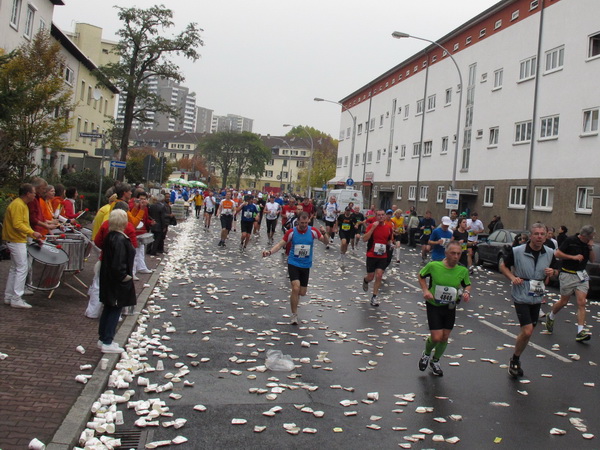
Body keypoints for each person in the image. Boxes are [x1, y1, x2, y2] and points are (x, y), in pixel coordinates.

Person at [500, 223, 556, 378]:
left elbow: (556, 270)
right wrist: (512, 278)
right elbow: (503, 266)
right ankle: (515, 360)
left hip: (537, 296)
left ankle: (516, 358)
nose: (539, 237)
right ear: (530, 236)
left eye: (542, 234)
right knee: (527, 330)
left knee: (528, 333)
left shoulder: (549, 252)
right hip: (521, 294)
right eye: (536, 234)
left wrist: (552, 272)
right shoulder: (518, 251)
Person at [262, 212, 329, 325]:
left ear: (308, 221)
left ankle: (295, 297)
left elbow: (326, 242)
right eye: (302, 223)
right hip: (293, 263)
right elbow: (280, 245)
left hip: (306, 265)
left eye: (306, 223)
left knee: (302, 292)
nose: (304, 225)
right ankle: (294, 315)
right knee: (295, 287)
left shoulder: (313, 231)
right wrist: (269, 252)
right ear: (297, 221)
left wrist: (324, 233)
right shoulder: (291, 232)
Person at [417, 241, 472, 376]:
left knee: (445, 337)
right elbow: (421, 276)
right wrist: (425, 290)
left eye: (458, 254)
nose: (456, 256)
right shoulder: (434, 266)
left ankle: (435, 361)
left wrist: (466, 292)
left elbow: (467, 284)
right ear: (446, 253)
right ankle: (426, 354)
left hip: (450, 306)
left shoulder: (462, 270)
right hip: (434, 305)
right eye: (453, 253)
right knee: (436, 337)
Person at [545, 225, 595, 342]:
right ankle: (551, 315)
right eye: (592, 236)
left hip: (581, 275)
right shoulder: (570, 240)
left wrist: (590, 248)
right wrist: (573, 257)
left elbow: (592, 260)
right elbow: (557, 254)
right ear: (585, 236)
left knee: (582, 302)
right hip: (567, 274)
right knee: (564, 301)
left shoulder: (588, 245)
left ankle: (580, 332)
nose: (593, 238)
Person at [98, 209, 136, 353]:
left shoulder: (110, 236)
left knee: (108, 307)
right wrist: (125, 277)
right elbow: (118, 263)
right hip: (116, 282)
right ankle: (108, 341)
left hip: (108, 279)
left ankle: (103, 338)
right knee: (115, 308)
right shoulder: (120, 239)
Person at [2, 184, 43, 309]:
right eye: (33, 192)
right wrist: (32, 233)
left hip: (16, 239)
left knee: (15, 268)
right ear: (27, 194)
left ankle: (9, 296)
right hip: (16, 239)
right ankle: (16, 298)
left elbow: (22, 224)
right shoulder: (18, 205)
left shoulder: (21, 204)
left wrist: (32, 234)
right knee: (22, 268)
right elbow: (17, 224)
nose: (35, 195)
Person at [361, 210, 394, 307]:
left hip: (382, 256)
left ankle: (374, 297)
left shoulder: (388, 227)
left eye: (382, 215)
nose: (381, 217)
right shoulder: (372, 226)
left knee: (379, 275)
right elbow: (364, 239)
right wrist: (372, 229)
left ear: (385, 216)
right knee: (370, 277)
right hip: (371, 255)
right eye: (379, 215)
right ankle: (366, 280)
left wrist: (391, 244)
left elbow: (388, 240)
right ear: (375, 216)